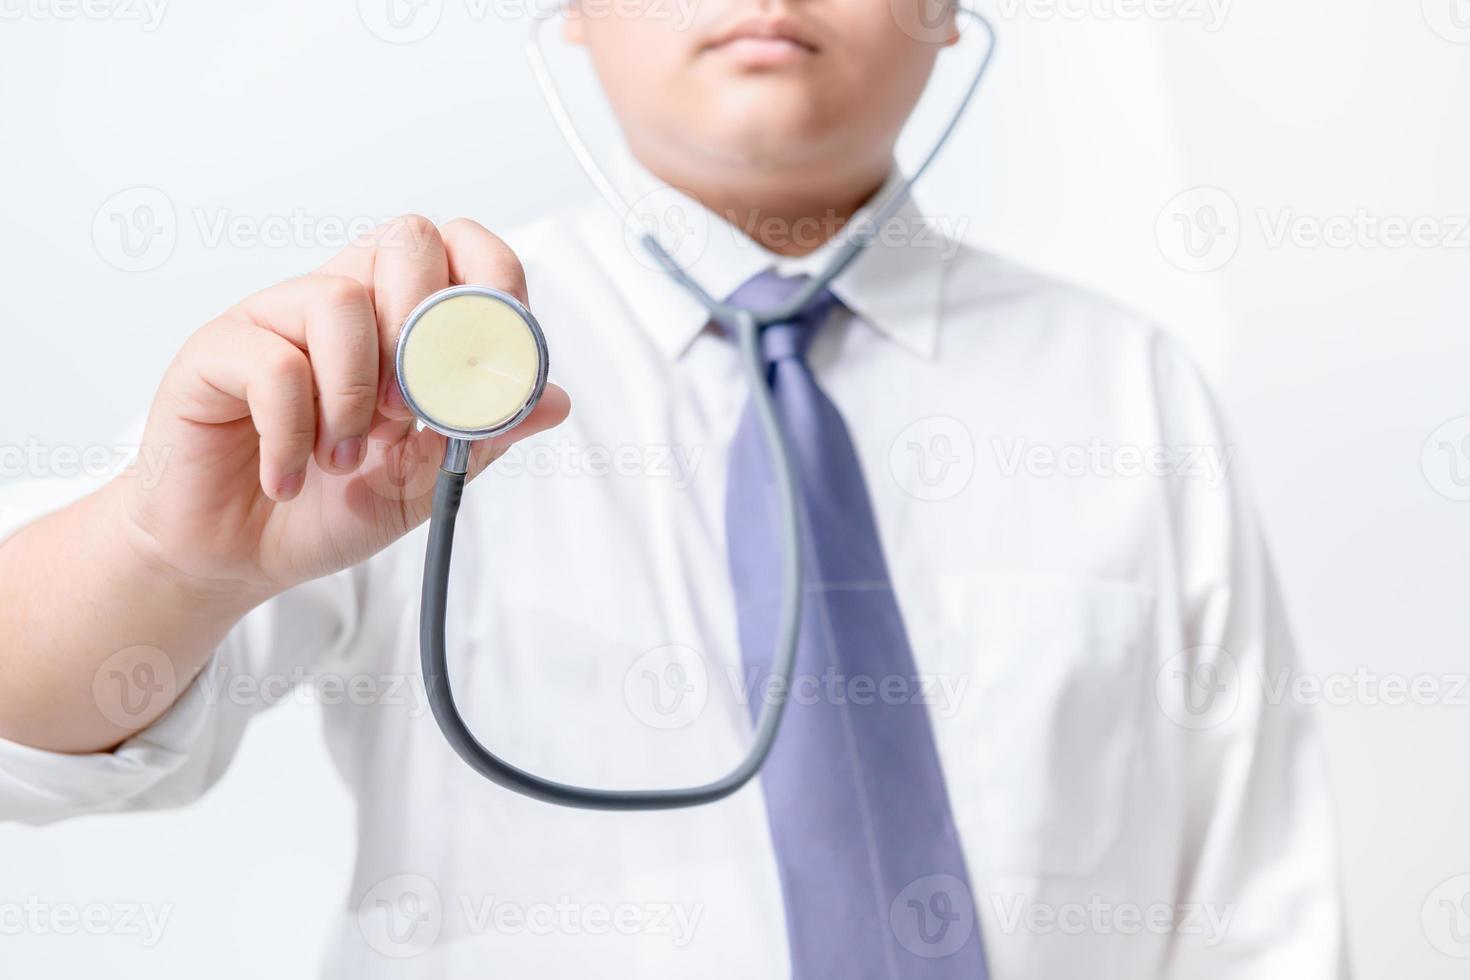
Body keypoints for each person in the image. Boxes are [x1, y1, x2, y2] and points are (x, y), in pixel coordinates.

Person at [0, 1, 1349, 976]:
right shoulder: (401, 368)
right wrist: (169, 561)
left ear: (948, 12)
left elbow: (1259, 911)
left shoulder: (1126, 389)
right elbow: (33, 756)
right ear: (573, 14)